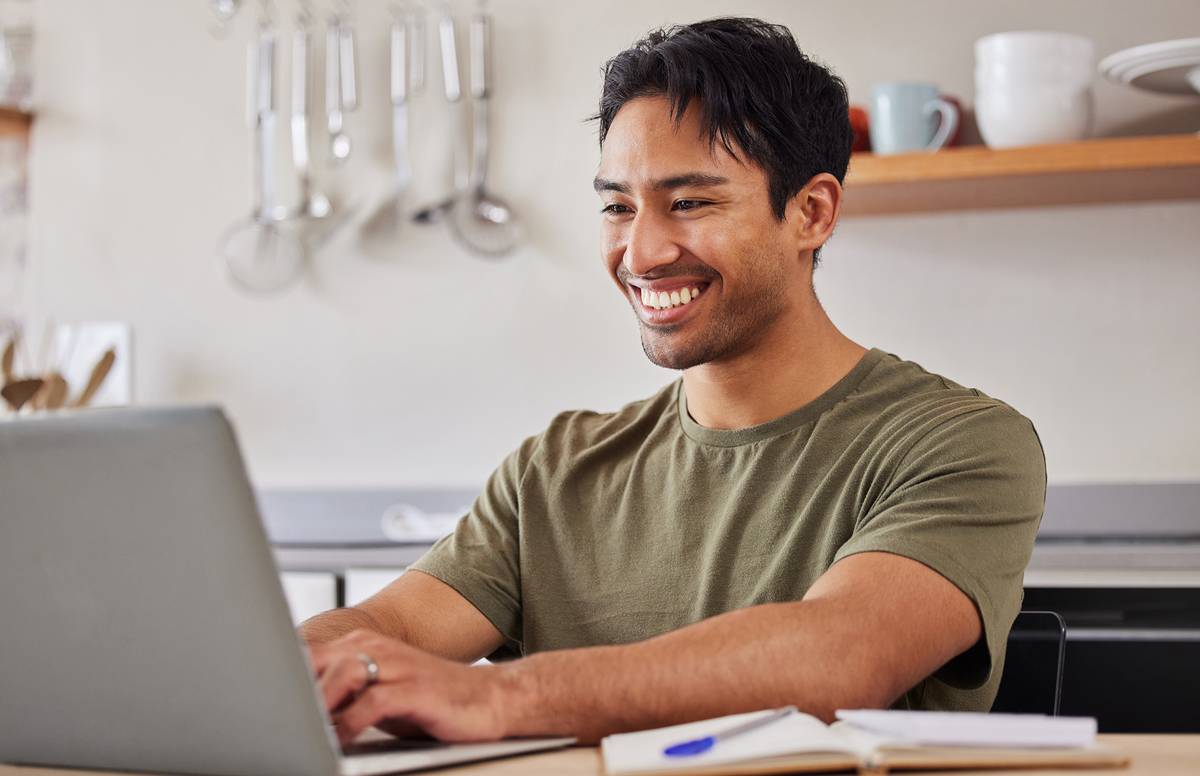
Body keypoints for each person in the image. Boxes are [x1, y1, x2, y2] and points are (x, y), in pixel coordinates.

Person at [303, 17, 1046, 746]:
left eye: (689, 203)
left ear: (811, 213)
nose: (642, 251)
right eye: (618, 207)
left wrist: (495, 694)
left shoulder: (962, 444)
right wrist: (311, 663)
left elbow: (836, 657)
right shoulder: (556, 469)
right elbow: (392, 626)